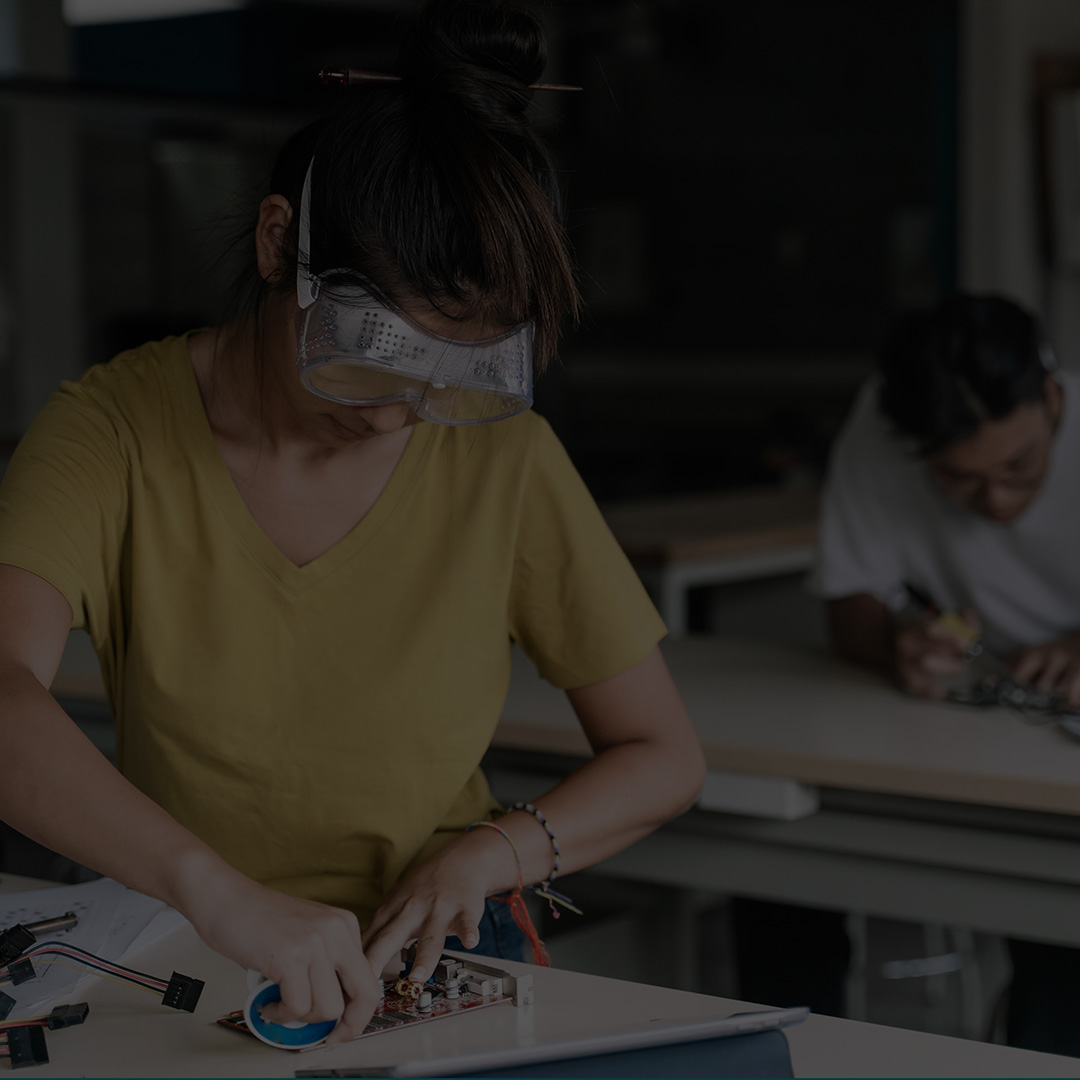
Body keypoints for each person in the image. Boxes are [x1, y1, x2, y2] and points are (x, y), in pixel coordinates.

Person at [0, 0, 705, 1045]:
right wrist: (214, 889)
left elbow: (663, 754)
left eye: (449, 379)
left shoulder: (498, 454)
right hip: (190, 945)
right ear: (281, 243)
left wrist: (493, 853)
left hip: (435, 955)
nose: (396, 415)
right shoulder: (112, 434)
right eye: (368, 357)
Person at [736, 292, 1080, 1054]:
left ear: (1053, 399)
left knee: (1063, 935)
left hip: (1059, 768)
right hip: (955, 728)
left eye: (1022, 468)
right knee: (779, 867)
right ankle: (783, 1060)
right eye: (958, 481)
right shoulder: (885, 423)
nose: (997, 504)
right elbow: (850, 605)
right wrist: (901, 645)